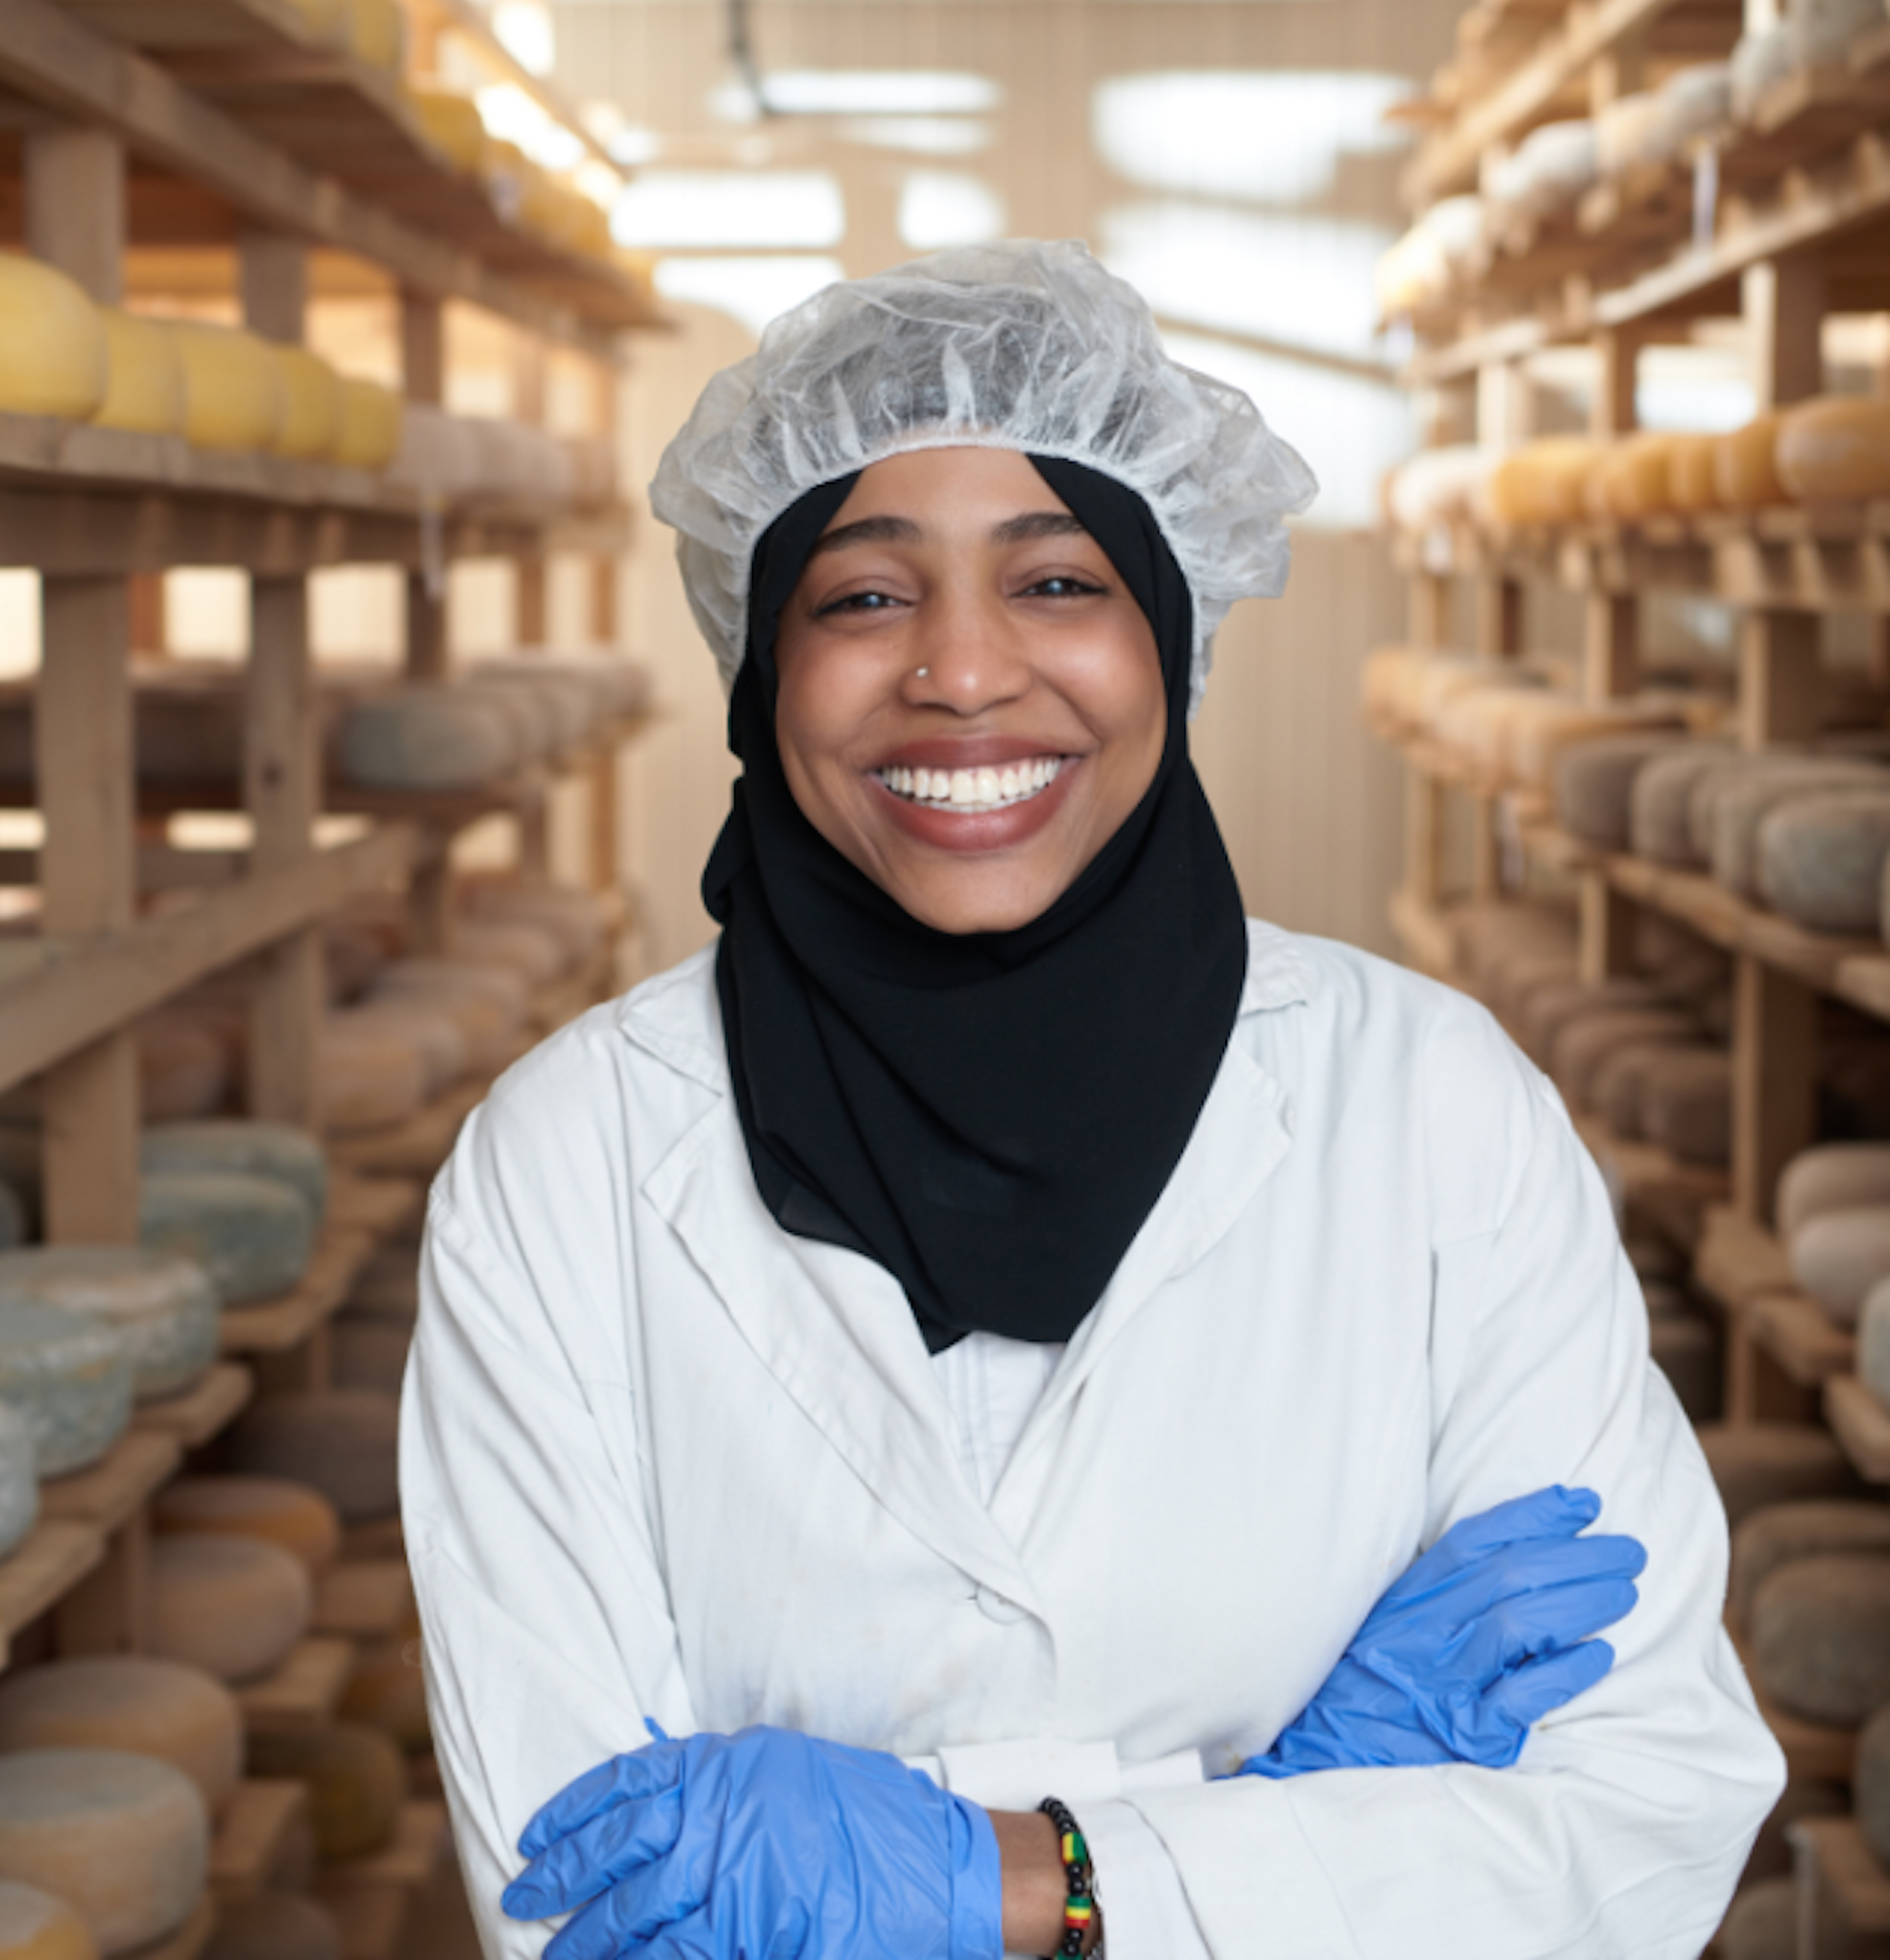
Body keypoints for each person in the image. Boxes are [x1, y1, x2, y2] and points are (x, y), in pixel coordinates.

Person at [402, 241, 1783, 1960]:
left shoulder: (1431, 1112)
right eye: (861, 596)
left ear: (1172, 630)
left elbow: (1642, 1814)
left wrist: (1027, 1881)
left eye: (1056, 583)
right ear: (760, 670)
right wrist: (1282, 1828)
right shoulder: (565, 1163)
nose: (965, 674)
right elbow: (587, 1906)